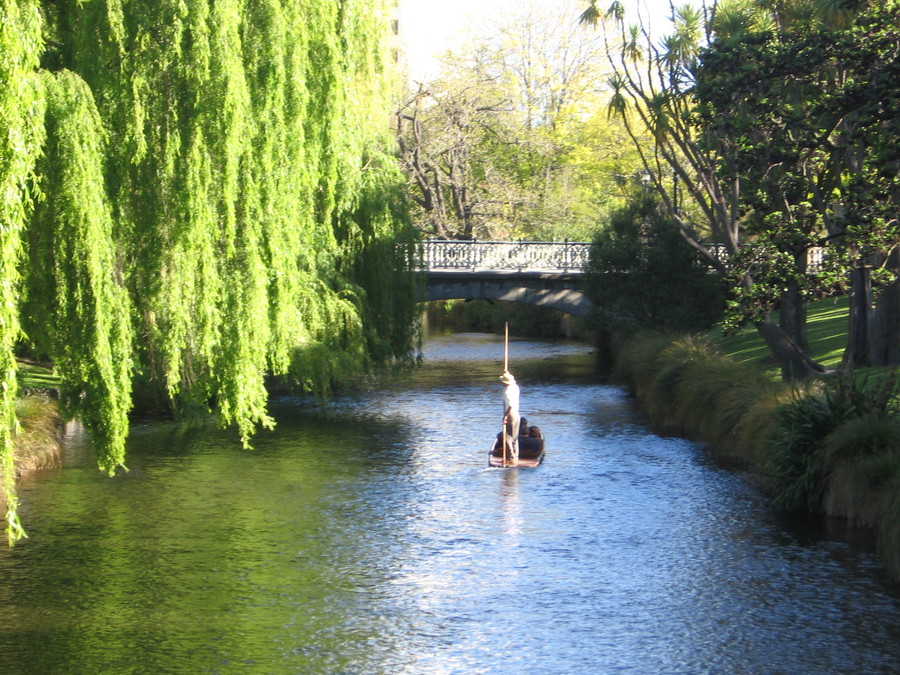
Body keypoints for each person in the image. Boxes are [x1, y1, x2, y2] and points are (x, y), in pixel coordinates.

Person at [500, 370, 520, 461]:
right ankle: (515, 456)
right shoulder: (515, 387)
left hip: (511, 413)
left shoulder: (507, 391)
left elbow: (510, 405)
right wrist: (506, 373)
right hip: (516, 413)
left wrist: (506, 416)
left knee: (508, 437)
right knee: (515, 437)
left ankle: (510, 457)